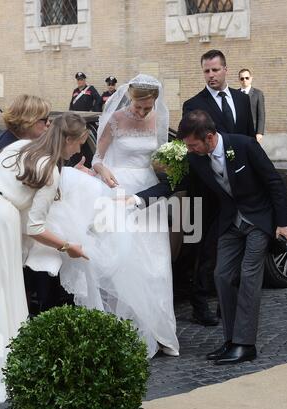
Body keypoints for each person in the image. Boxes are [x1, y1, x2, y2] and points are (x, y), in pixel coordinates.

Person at [26, 74, 180, 359]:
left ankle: (161, 332)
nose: (142, 112)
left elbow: (159, 157)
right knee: (122, 262)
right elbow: (98, 158)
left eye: (147, 108)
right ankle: (126, 332)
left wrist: (170, 163)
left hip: (147, 193)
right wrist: (103, 172)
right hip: (116, 191)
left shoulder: (158, 118)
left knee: (156, 265)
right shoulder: (116, 119)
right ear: (130, 98)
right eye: (138, 106)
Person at [136, 109, 287, 364]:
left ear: (209, 137)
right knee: (221, 276)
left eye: (192, 144)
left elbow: (274, 182)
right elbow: (175, 184)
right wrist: (137, 198)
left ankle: (246, 345)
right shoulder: (197, 159)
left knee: (249, 276)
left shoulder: (244, 146)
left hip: (258, 219)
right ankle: (231, 340)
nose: (189, 149)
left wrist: (285, 222)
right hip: (230, 222)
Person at [0, 112, 89, 402]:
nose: (78, 151)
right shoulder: (50, 170)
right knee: (4, 288)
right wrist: (67, 247)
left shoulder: (19, 146)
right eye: (78, 145)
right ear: (69, 140)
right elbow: (35, 227)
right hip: (4, 220)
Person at [181, 49, 256, 327]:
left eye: (215, 70)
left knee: (238, 245)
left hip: (240, 189)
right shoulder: (193, 104)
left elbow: (249, 142)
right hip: (208, 189)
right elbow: (192, 149)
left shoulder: (242, 100)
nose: (210, 75)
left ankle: (229, 305)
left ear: (225, 69)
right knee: (206, 248)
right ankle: (200, 305)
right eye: (206, 71)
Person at [238, 68, 265, 143]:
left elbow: (261, 114)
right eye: (242, 78)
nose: (244, 80)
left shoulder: (258, 94)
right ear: (239, 80)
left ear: (251, 78)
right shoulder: (235, 94)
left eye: (247, 78)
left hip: (253, 131)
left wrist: (259, 132)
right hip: (238, 131)